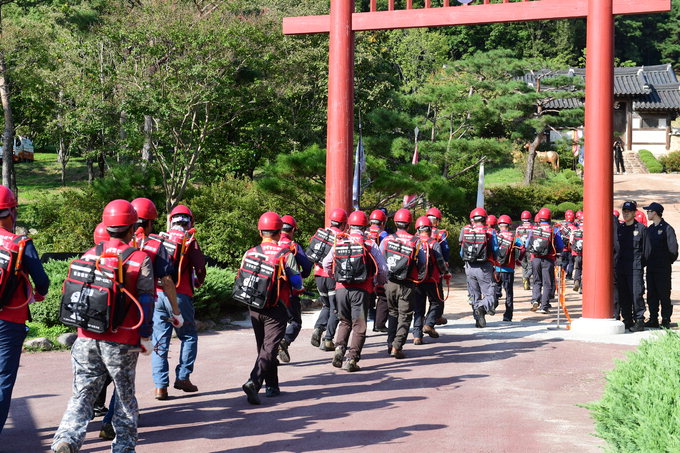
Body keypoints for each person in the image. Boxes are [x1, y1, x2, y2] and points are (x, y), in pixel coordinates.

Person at [52, 200, 154, 453]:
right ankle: (123, 447)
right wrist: (146, 335)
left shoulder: (89, 254)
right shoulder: (139, 258)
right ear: (133, 227)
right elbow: (146, 301)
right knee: (125, 396)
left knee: (82, 394)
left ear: (106, 226)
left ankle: (66, 439)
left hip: (86, 336)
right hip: (123, 341)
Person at [0, 186, 49, 435]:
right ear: (11, 212)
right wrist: (39, 294)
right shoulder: (20, 243)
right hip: (9, 321)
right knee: (3, 379)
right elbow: (42, 281)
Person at [240, 212, 303, 404]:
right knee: (270, 348)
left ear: (260, 231)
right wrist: (299, 287)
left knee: (264, 347)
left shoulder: (250, 252)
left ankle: (272, 386)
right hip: (276, 307)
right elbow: (297, 281)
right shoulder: (284, 254)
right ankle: (254, 381)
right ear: (279, 232)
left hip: (254, 307)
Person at [151, 204, 206, 399]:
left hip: (157, 296)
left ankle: (160, 387)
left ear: (170, 221)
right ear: (190, 221)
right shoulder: (189, 240)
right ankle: (183, 376)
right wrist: (198, 281)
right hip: (180, 296)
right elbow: (200, 268)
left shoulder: (160, 238)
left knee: (160, 340)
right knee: (188, 336)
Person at [322, 210, 387, 371]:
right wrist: (379, 282)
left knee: (345, 321)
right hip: (361, 290)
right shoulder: (369, 243)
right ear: (365, 226)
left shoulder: (340, 241)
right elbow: (383, 268)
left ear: (349, 225)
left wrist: (335, 277)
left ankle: (339, 348)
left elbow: (326, 263)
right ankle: (351, 359)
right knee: (359, 324)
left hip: (341, 289)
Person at [380, 208, 426, 358]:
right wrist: (418, 277)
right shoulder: (415, 241)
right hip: (407, 283)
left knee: (392, 313)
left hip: (389, 282)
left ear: (395, 222)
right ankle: (397, 346)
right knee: (405, 315)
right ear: (409, 224)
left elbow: (380, 261)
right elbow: (423, 263)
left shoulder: (387, 239)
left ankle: (390, 343)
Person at [277, 215, 312, 363]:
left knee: (275, 324)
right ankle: (284, 342)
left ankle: (271, 355)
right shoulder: (293, 246)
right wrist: (301, 276)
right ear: (292, 230)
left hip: (270, 294)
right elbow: (308, 265)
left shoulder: (269, 244)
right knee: (295, 322)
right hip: (289, 293)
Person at [310, 208, 346, 351]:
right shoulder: (342, 237)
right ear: (343, 223)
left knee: (326, 305)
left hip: (318, 275)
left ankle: (318, 328)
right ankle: (328, 340)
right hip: (331, 276)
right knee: (335, 309)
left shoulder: (321, 233)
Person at [411, 216, 449, 343]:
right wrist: (446, 273)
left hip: (417, 281)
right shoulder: (434, 243)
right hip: (433, 279)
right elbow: (440, 263)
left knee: (418, 308)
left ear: (417, 229)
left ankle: (417, 335)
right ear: (430, 229)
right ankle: (429, 324)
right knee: (436, 303)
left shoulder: (413, 242)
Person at [459, 208, 498, 328]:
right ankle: (481, 308)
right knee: (490, 294)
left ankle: (478, 320)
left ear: (472, 219)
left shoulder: (465, 230)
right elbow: (496, 249)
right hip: (485, 267)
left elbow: (461, 252)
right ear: (485, 219)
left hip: (469, 267)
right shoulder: (490, 231)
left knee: (474, 294)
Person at [643, 202, 678, 329]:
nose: (647, 213)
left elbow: (673, 250)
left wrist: (665, 262)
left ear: (655, 213)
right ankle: (653, 318)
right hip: (651, 267)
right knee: (651, 294)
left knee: (664, 294)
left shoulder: (667, 228)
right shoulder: (650, 229)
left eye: (649, 211)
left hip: (663, 268)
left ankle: (666, 319)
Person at [615, 200, 647, 332]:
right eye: (624, 211)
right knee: (624, 295)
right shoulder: (620, 228)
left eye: (628, 212)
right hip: (621, 267)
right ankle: (627, 319)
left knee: (636, 294)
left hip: (635, 268)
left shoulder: (641, 229)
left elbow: (647, 251)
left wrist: (640, 264)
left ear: (634, 213)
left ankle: (639, 320)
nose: (626, 214)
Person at [526, 208, 564, 314]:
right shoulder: (554, 230)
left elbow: (527, 244)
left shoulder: (534, 230)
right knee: (547, 283)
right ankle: (544, 306)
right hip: (548, 260)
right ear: (550, 218)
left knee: (537, 281)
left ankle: (535, 300)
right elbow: (560, 246)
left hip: (535, 259)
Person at [494, 215, 523, 322]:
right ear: (509, 226)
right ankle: (508, 315)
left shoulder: (495, 236)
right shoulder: (514, 237)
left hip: (496, 268)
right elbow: (522, 248)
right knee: (509, 293)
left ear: (499, 225)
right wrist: (518, 259)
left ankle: (493, 305)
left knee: (496, 289)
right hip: (509, 269)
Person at [425, 207, 450, 325]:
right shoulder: (441, 233)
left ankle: (418, 331)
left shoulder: (417, 234)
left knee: (420, 299)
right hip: (435, 272)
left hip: (419, 272)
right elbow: (445, 251)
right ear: (437, 221)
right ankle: (436, 317)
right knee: (438, 297)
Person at [367, 209, 389, 332]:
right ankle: (379, 324)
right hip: (377, 270)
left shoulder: (364, 232)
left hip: (364, 271)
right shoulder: (384, 235)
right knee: (382, 297)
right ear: (382, 222)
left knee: (366, 297)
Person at [515, 211, 533, 291]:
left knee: (524, 266)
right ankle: (527, 277)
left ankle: (526, 283)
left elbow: (516, 238)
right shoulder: (533, 227)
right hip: (530, 249)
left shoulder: (518, 228)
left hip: (521, 249)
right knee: (531, 266)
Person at [559, 210, 576, 279]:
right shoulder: (575, 228)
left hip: (563, 248)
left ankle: (562, 275)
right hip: (572, 248)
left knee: (564, 262)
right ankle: (569, 276)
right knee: (571, 262)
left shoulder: (562, 227)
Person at [570, 218, 584, 293]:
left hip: (577, 253)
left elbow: (571, 241)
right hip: (586, 254)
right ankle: (582, 287)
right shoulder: (589, 229)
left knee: (578, 268)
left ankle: (576, 281)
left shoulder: (575, 230)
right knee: (585, 270)